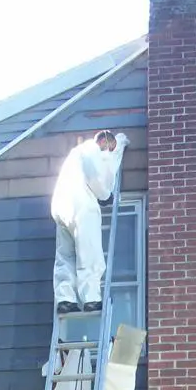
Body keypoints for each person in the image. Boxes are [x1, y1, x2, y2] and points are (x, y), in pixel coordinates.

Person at [51, 129, 130, 314]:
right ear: (104, 142)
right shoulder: (91, 150)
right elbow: (97, 176)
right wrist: (105, 195)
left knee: (65, 256)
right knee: (90, 253)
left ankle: (65, 298)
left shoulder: (74, 154)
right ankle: (91, 298)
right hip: (81, 206)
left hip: (61, 207)